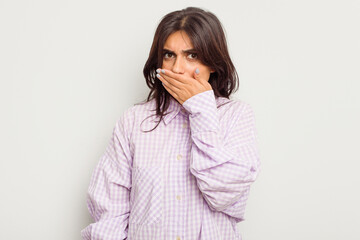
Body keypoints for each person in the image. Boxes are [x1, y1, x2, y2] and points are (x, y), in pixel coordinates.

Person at [81, 7, 260, 240]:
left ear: (213, 63)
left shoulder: (236, 116)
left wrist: (201, 110)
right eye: (169, 55)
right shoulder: (134, 121)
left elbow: (224, 193)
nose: (176, 68)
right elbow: (109, 211)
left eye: (192, 55)